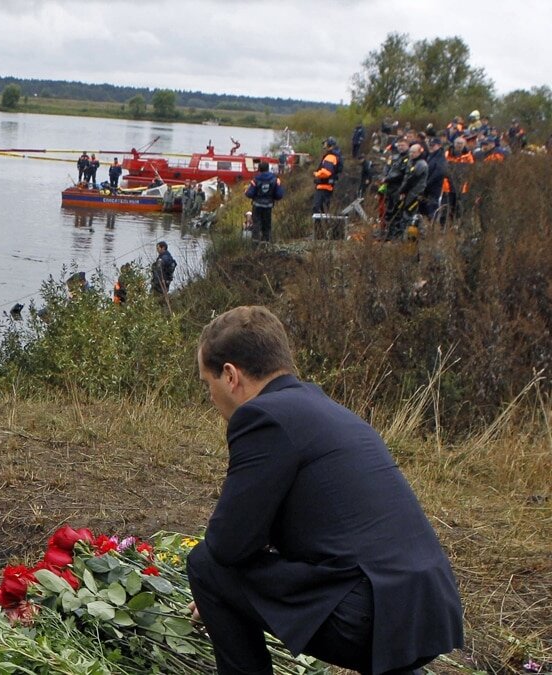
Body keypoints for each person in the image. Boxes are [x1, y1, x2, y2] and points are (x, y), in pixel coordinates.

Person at [187, 305, 464, 675]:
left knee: (207, 565)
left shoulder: (262, 417)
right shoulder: (329, 410)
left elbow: (227, 544)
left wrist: (225, 596)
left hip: (368, 618)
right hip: (428, 611)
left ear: (231, 375)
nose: (210, 398)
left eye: (208, 384)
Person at [244, 161, 285, 243]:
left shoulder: (255, 180)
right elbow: (279, 195)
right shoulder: (274, 179)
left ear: (259, 169)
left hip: (257, 205)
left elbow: (249, 194)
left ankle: (255, 243)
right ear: (268, 168)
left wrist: (246, 191)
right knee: (267, 224)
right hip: (268, 206)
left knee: (256, 224)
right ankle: (266, 243)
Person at [312, 137, 341, 215]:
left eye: (326, 144)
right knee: (323, 210)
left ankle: (319, 227)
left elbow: (326, 172)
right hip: (326, 186)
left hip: (324, 186)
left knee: (317, 209)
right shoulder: (333, 156)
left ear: (330, 145)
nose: (324, 146)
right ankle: (325, 226)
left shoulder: (330, 157)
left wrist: (316, 174)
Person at [422, 136, 447, 222]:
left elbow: (439, 173)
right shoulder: (430, 155)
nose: (431, 146)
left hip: (434, 187)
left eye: (433, 145)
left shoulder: (441, 157)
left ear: (439, 145)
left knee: (432, 208)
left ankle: (432, 226)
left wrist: (427, 183)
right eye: (430, 145)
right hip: (426, 187)